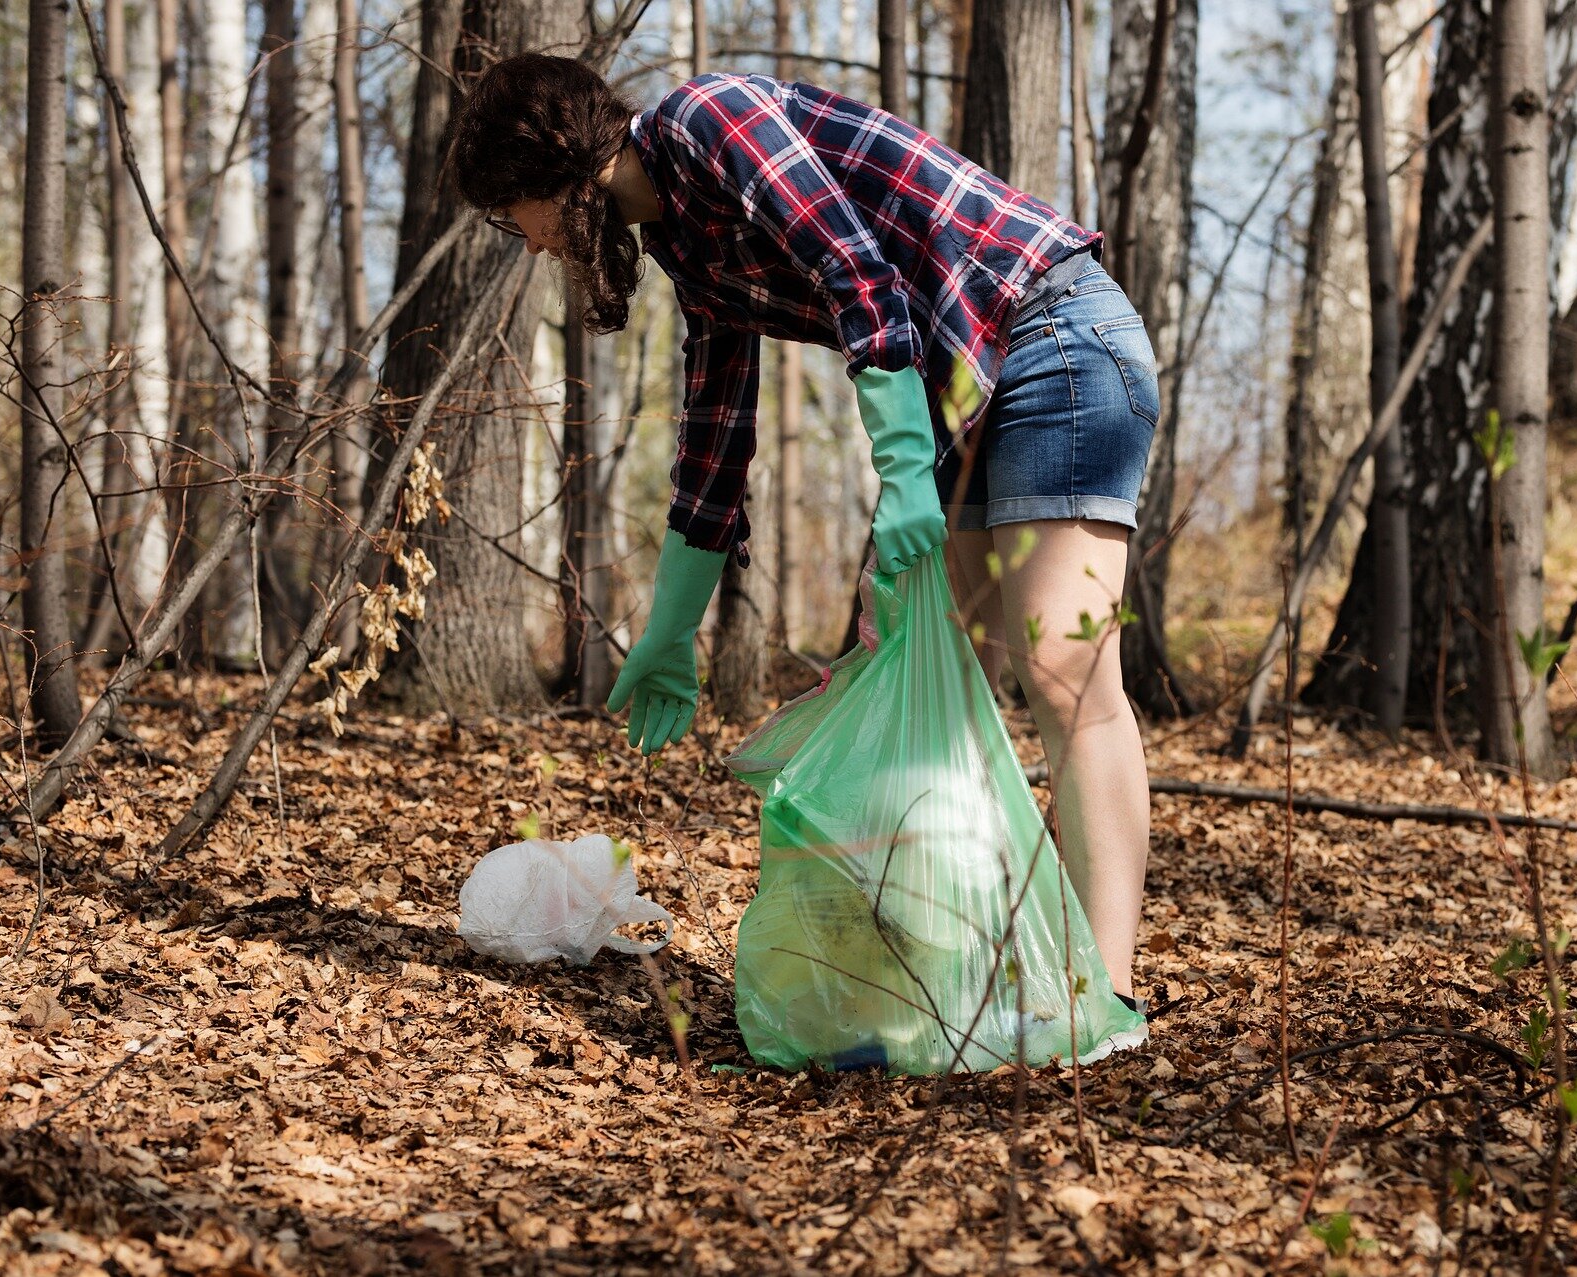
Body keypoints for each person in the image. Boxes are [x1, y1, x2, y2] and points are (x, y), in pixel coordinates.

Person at [442, 55, 1159, 1029]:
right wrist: (669, 630)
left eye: (508, 215)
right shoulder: (684, 243)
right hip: (965, 384)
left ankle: (1101, 996)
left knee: (1064, 667)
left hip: (1052, 333)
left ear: (550, 173)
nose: (523, 244)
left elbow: (855, 272)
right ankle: (956, 978)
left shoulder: (710, 117)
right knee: (914, 669)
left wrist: (904, 473)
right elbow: (713, 433)